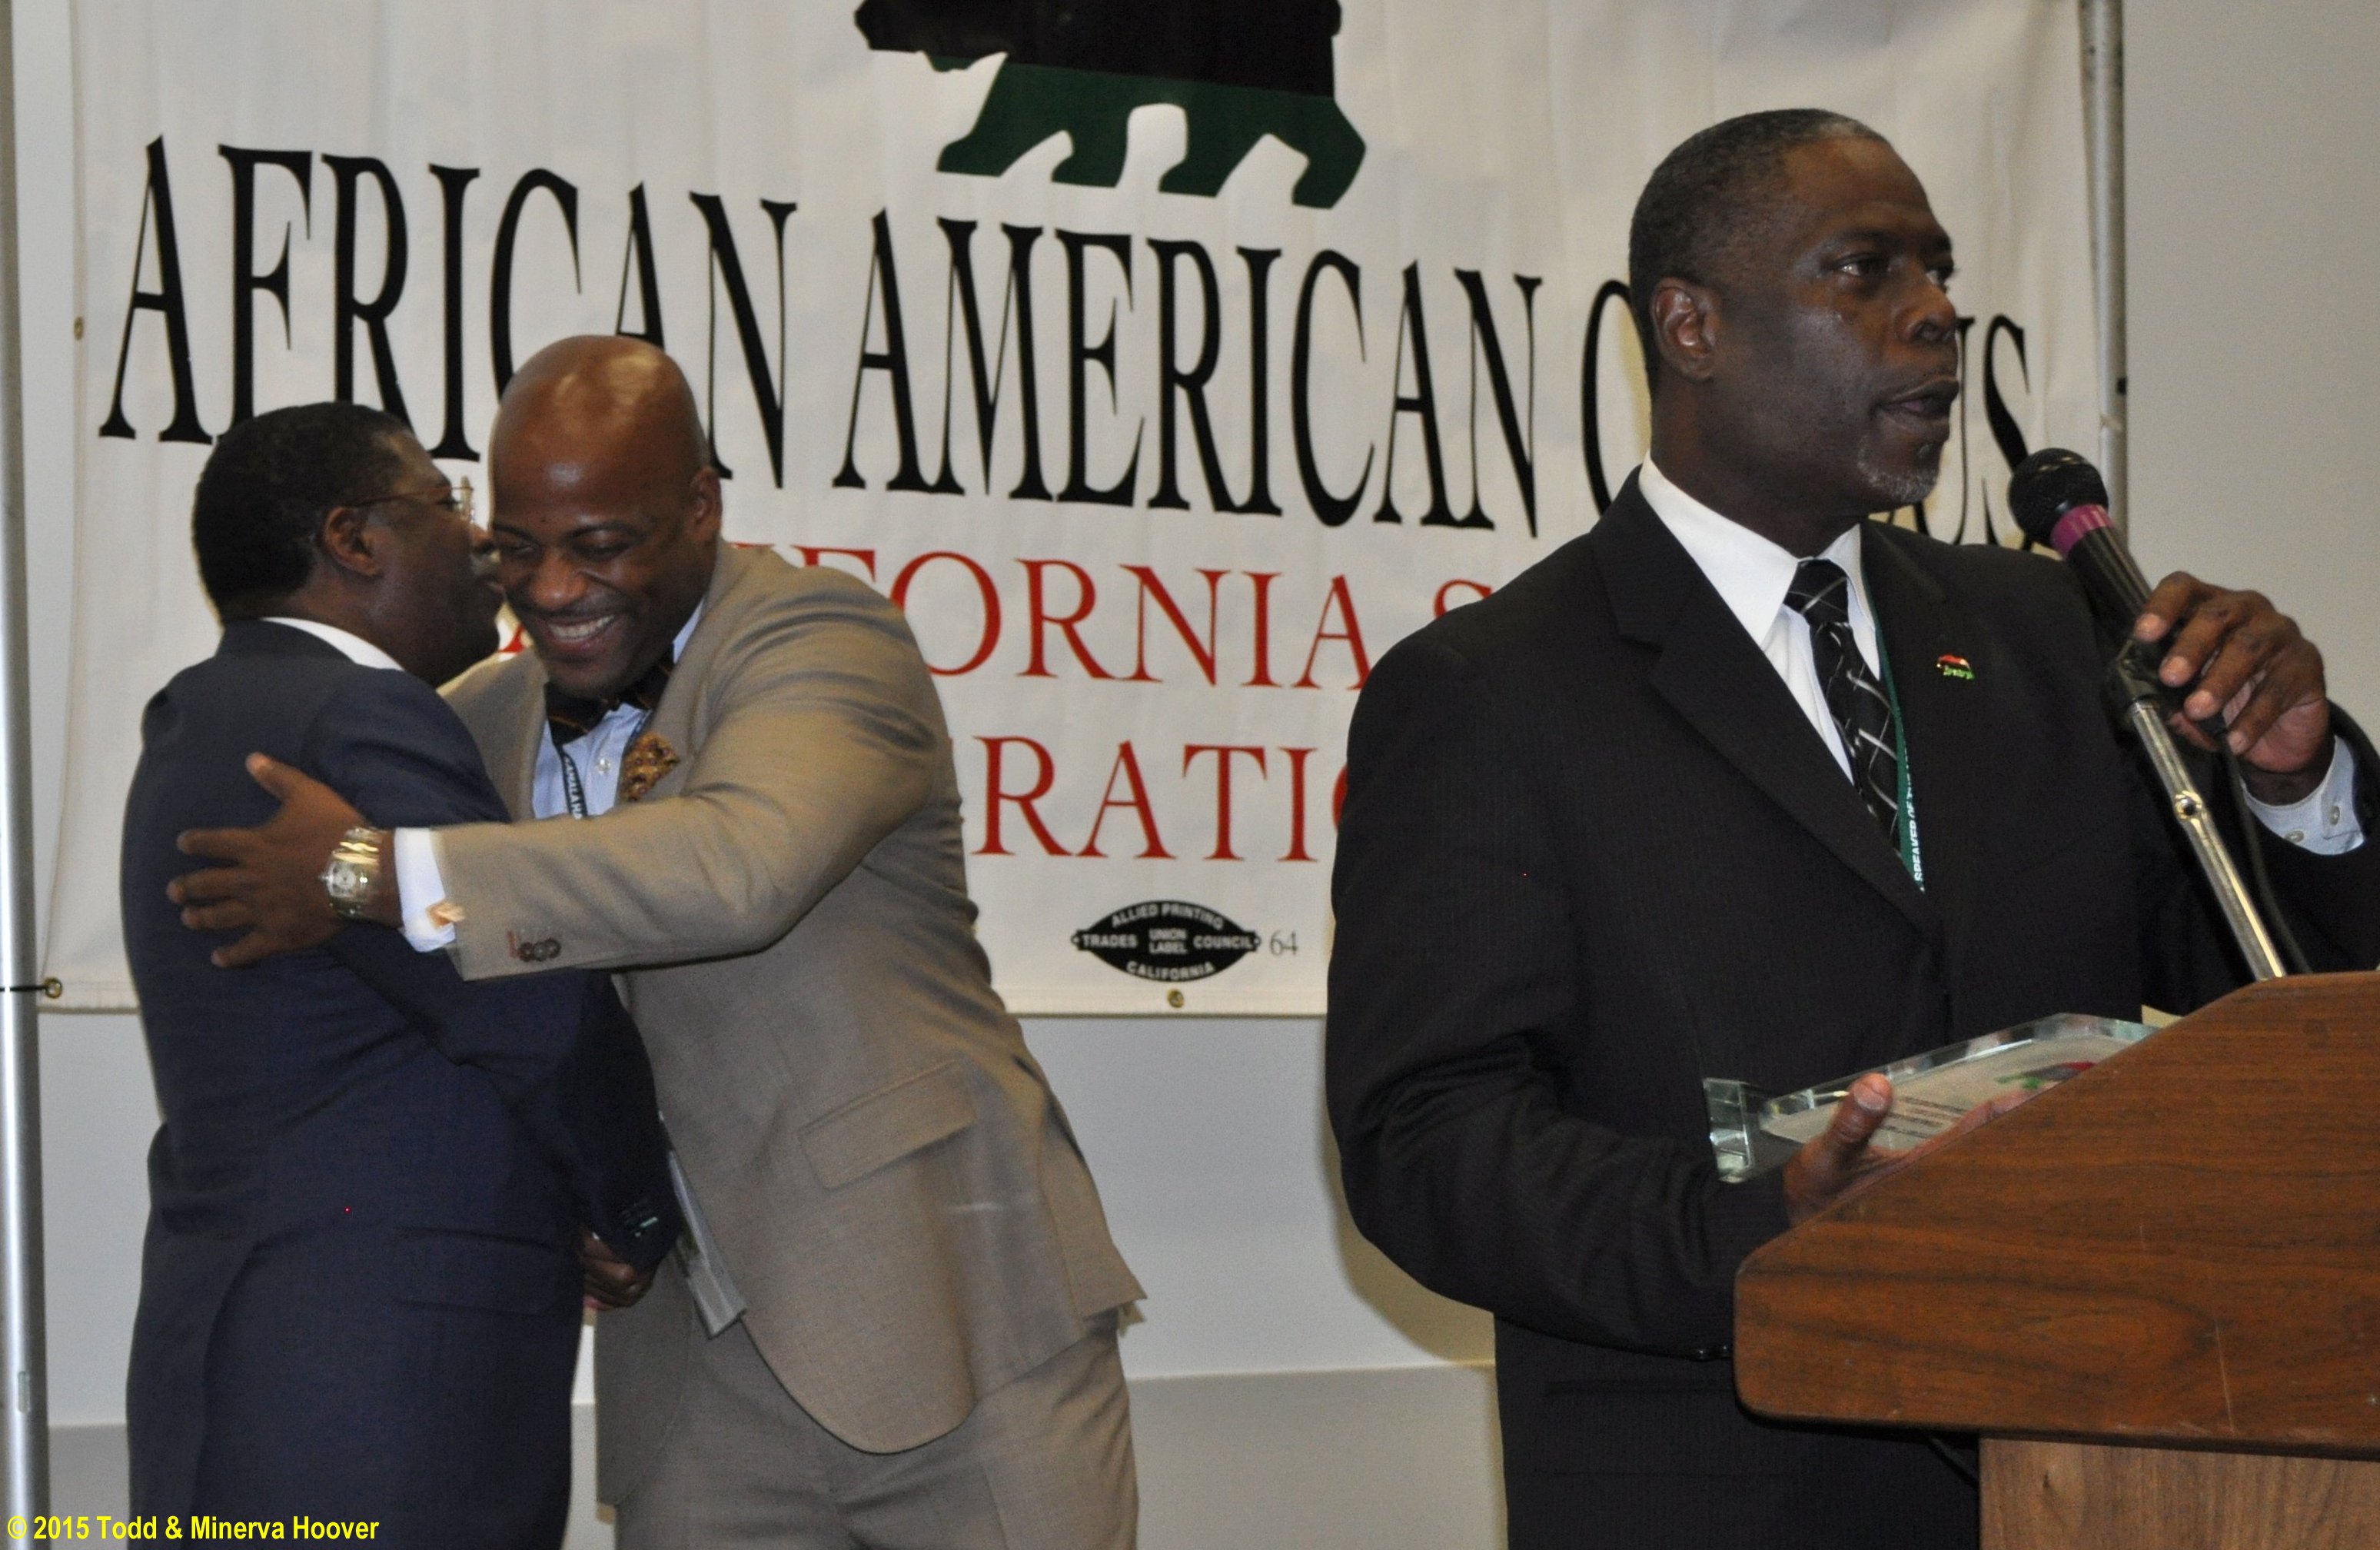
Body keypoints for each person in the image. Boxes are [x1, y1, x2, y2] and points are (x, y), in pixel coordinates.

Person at [1323, 110, 2380, 1550]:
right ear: (1691, 327)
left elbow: (2277, 998)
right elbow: (1427, 1141)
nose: (1935, 314)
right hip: (1728, 1483)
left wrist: (2292, 782)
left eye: (1940, 272)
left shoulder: (2047, 634)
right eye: (1865, 270)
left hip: (2099, 1462)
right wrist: (1763, 1218)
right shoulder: (1496, 693)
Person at [167, 338, 1144, 1548]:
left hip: (949, 1318)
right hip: (681, 1364)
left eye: (601, 544)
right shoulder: (472, 716)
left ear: (700, 508)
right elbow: (502, 1021)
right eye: (517, 547)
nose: (552, 589)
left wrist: (380, 871)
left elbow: (742, 868)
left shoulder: (821, 635)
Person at [120, 402, 680, 1542]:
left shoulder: (197, 719)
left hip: (235, 1356)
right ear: (354, 539)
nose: (481, 540)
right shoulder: (361, 715)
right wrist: (632, 1207)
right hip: (387, 1382)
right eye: (445, 502)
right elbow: (529, 1003)